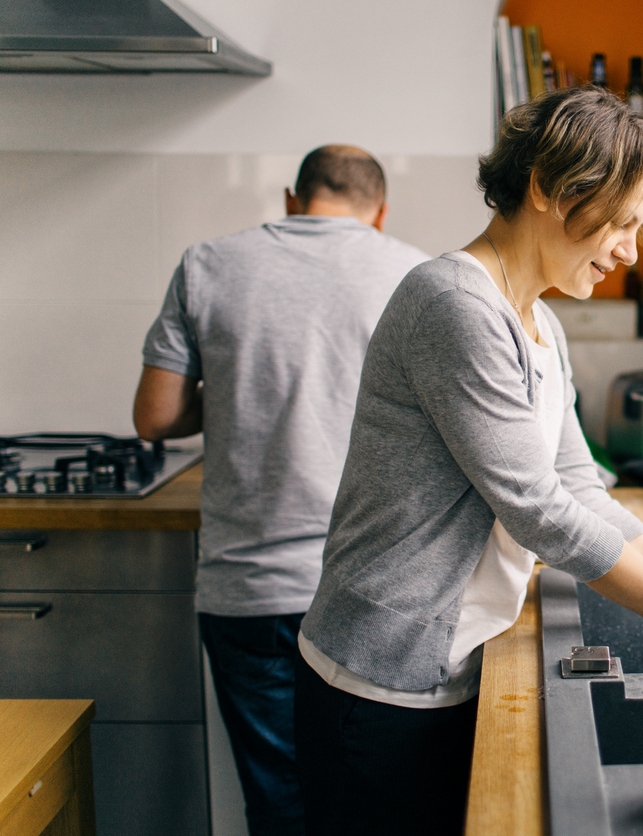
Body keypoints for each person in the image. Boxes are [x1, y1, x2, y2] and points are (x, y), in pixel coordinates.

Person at [292, 86, 643, 836]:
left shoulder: (538, 322)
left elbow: (579, 490)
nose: (632, 249)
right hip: (378, 685)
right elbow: (535, 507)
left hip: (448, 665)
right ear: (545, 187)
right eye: (624, 222)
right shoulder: (453, 304)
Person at [132, 145, 429, 836]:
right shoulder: (416, 272)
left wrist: (239, 391)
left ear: (294, 201)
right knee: (374, 810)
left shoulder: (206, 263)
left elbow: (155, 416)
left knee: (282, 807)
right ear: (378, 213)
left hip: (250, 589)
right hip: (373, 592)